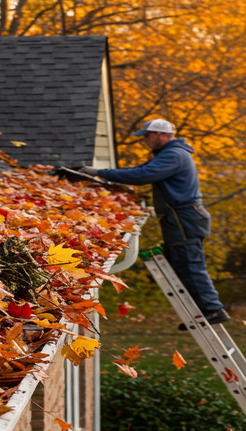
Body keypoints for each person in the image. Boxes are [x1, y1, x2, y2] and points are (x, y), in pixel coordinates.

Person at [81, 118, 229, 325]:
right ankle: (202, 310)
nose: (145, 141)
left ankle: (213, 309)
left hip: (184, 216)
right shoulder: (168, 154)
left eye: (147, 136)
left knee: (190, 263)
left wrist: (100, 173)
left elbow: (143, 174)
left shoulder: (174, 154)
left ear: (160, 135)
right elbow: (140, 170)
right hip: (180, 216)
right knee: (180, 263)